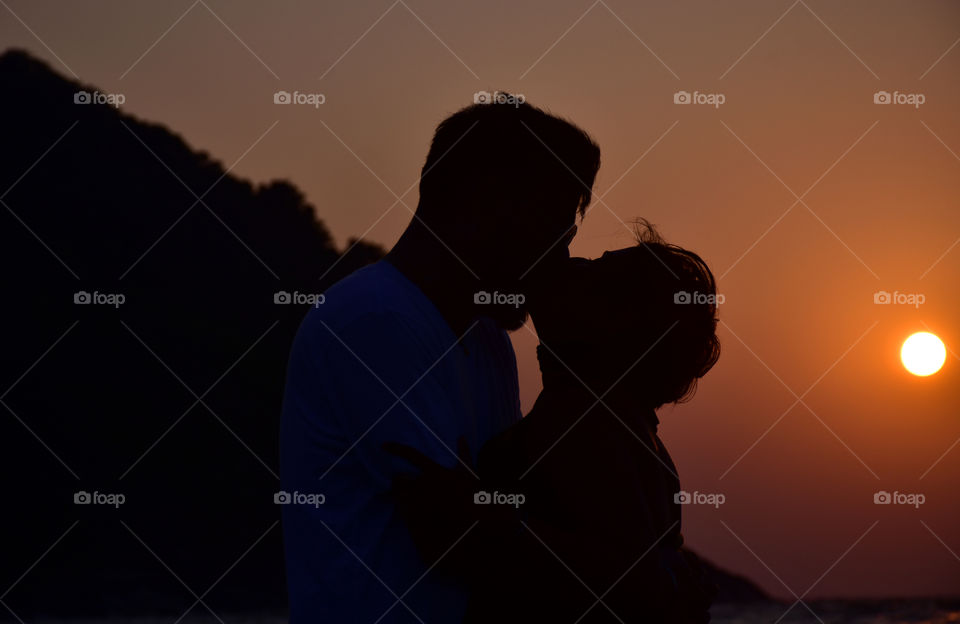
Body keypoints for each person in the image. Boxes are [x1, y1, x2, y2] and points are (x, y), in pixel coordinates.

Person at [279, 97, 601, 623]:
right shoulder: (373, 319)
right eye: (552, 233)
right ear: (486, 204)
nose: (558, 261)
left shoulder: (487, 340)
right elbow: (456, 533)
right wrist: (635, 579)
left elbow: (513, 501)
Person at [389, 221, 721, 623]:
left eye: (597, 272)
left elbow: (619, 585)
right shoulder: (620, 424)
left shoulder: (589, 422)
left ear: (614, 326)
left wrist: (484, 521)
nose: (575, 264)